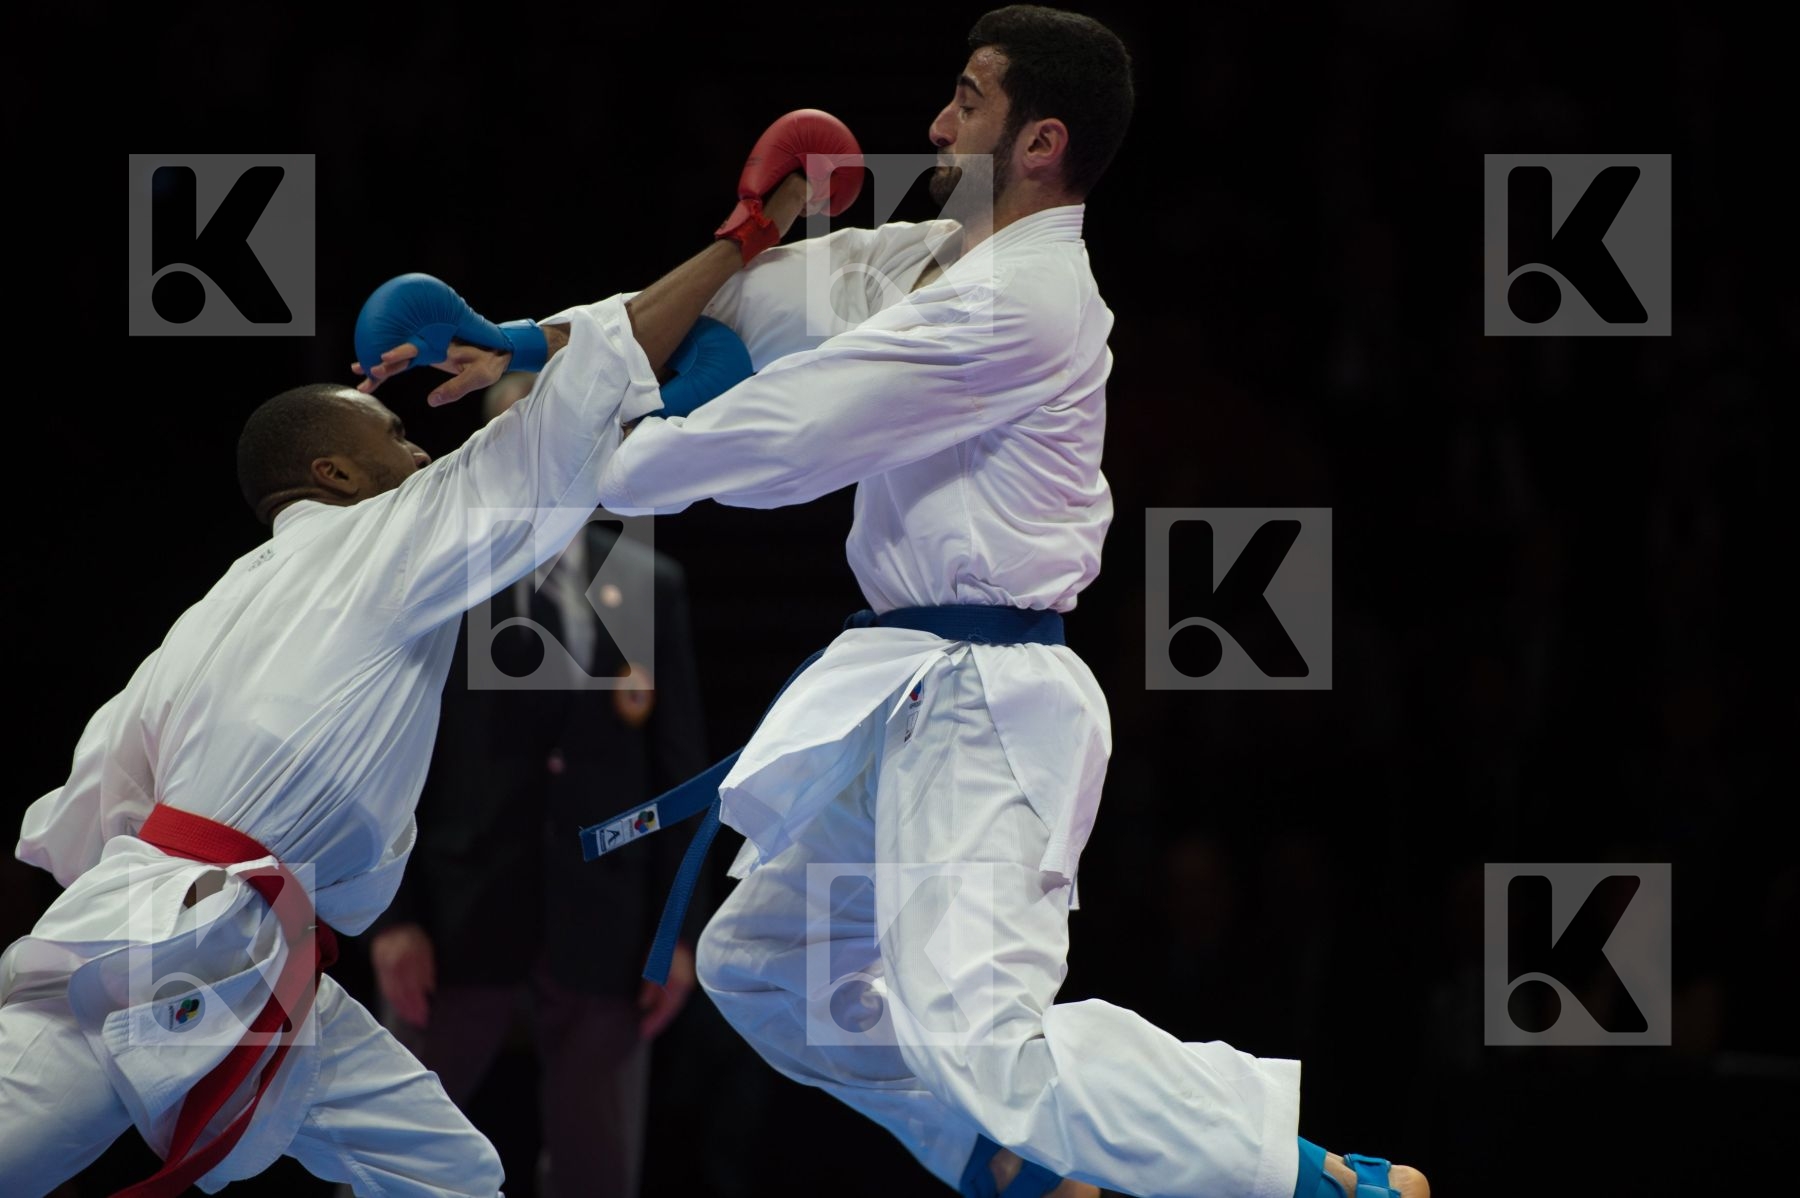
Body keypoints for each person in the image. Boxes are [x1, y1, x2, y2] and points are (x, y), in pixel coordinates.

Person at [506, 8, 1432, 1197]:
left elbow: (796, 427)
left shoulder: (1019, 303)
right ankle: (1002, 1158)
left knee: (986, 1035)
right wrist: (531, 345)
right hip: (907, 688)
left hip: (991, 700)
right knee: (759, 961)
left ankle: (1308, 1176)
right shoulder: (937, 261)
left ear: (1041, 139)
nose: (937, 126)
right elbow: (767, 301)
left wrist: (602, 462)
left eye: (968, 100)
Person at [0, 151, 819, 1196]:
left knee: (452, 1174)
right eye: (395, 434)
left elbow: (90, 799)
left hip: (246, 948)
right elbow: (576, 402)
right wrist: (742, 240)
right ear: (335, 472)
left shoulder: (210, 610)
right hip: (164, 948)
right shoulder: (384, 538)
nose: (424, 454)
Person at [366, 372, 707, 1198]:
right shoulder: (439, 578)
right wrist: (394, 918)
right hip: (452, 918)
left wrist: (678, 935)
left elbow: (681, 774)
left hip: (607, 927)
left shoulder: (640, 581)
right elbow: (383, 760)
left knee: (597, 1173)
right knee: (390, 1159)